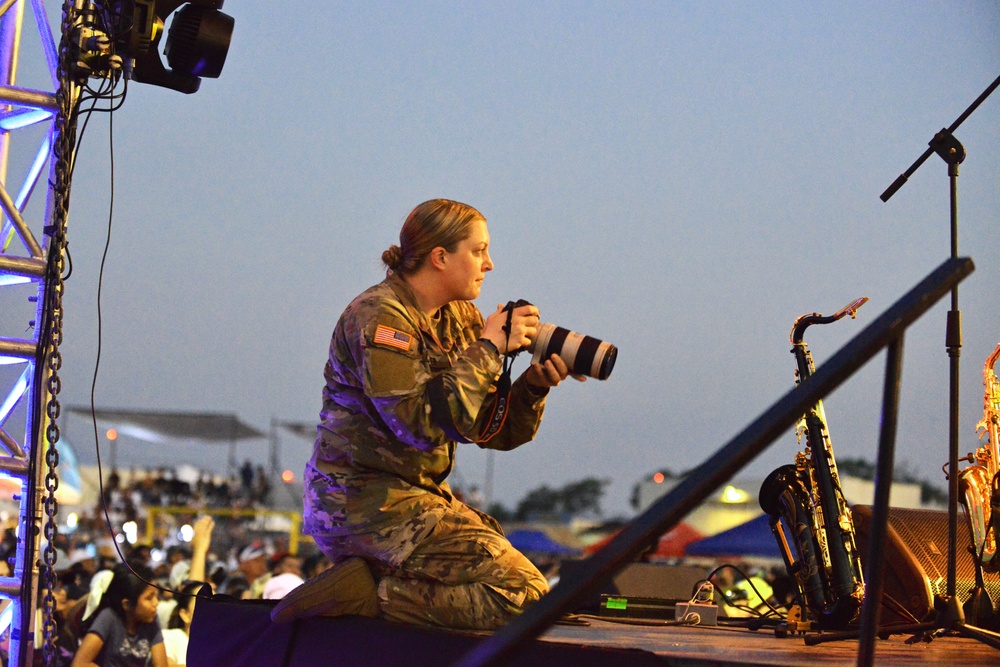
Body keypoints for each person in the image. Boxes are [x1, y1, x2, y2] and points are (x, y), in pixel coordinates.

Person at [272, 198, 580, 630]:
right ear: (439, 257)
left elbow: (489, 430)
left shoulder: (459, 318)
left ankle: (371, 584)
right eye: (478, 251)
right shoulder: (380, 317)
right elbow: (418, 424)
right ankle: (368, 594)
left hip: (415, 499)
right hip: (359, 503)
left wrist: (531, 387)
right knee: (524, 596)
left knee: (527, 590)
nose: (489, 264)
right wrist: (490, 347)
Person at [71, 563, 167, 667]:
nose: (156, 602)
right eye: (149, 598)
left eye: (156, 596)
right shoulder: (109, 617)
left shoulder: (151, 619)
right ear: (127, 604)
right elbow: (79, 663)